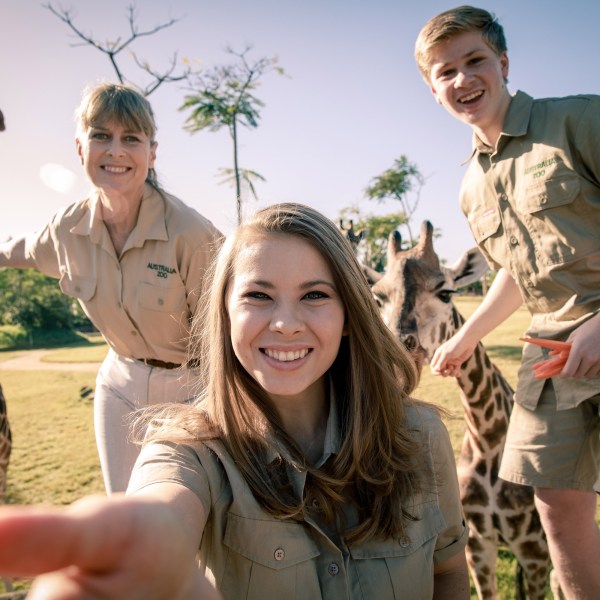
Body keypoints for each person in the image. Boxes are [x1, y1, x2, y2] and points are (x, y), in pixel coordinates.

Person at [0, 203, 469, 599]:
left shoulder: (420, 436)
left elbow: (447, 571)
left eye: (315, 295)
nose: (285, 323)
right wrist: (150, 532)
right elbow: (166, 501)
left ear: (349, 316)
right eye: (258, 296)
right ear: (224, 315)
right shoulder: (192, 451)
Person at [415, 6, 600, 599]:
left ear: (504, 64)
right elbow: (516, 273)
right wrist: (465, 338)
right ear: (432, 89)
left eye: (475, 61)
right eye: (446, 72)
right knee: (554, 503)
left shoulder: (578, 120)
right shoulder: (471, 185)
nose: (463, 80)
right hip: (549, 350)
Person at [0, 82, 223, 494]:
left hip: (191, 388)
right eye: (101, 135)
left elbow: (229, 327)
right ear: (80, 148)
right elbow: (25, 249)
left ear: (152, 153)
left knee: (181, 518)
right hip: (119, 382)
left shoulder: (190, 234)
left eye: (131, 139)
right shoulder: (67, 229)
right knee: (121, 511)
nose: (115, 151)